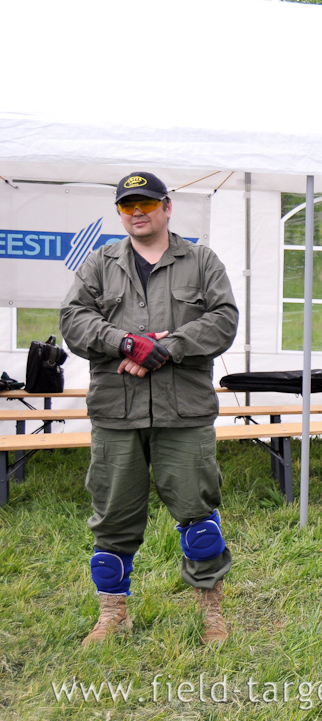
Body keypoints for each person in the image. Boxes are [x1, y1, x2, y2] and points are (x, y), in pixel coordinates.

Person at [60, 171, 239, 646]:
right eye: (127, 206)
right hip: (116, 412)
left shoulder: (201, 261)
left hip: (184, 412)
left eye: (146, 203)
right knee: (112, 519)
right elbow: (73, 321)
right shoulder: (99, 263)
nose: (137, 212)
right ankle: (113, 614)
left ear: (167, 207)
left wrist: (168, 347)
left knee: (199, 517)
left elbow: (224, 321)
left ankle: (210, 612)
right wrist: (124, 342)